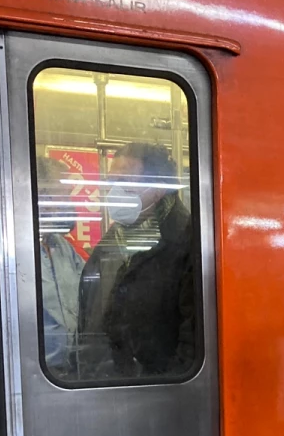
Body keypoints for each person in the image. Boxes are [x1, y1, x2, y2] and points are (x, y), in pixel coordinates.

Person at [77, 142, 195, 379]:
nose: (115, 192)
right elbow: (89, 321)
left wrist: (165, 391)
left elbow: (194, 341)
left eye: (126, 182)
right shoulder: (109, 245)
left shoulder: (188, 242)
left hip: (158, 394)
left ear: (158, 188)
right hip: (108, 388)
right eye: (112, 182)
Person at [35, 156, 85, 374]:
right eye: (62, 194)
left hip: (70, 370)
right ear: (40, 194)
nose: (68, 203)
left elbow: (91, 287)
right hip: (38, 371)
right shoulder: (17, 254)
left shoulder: (63, 248)